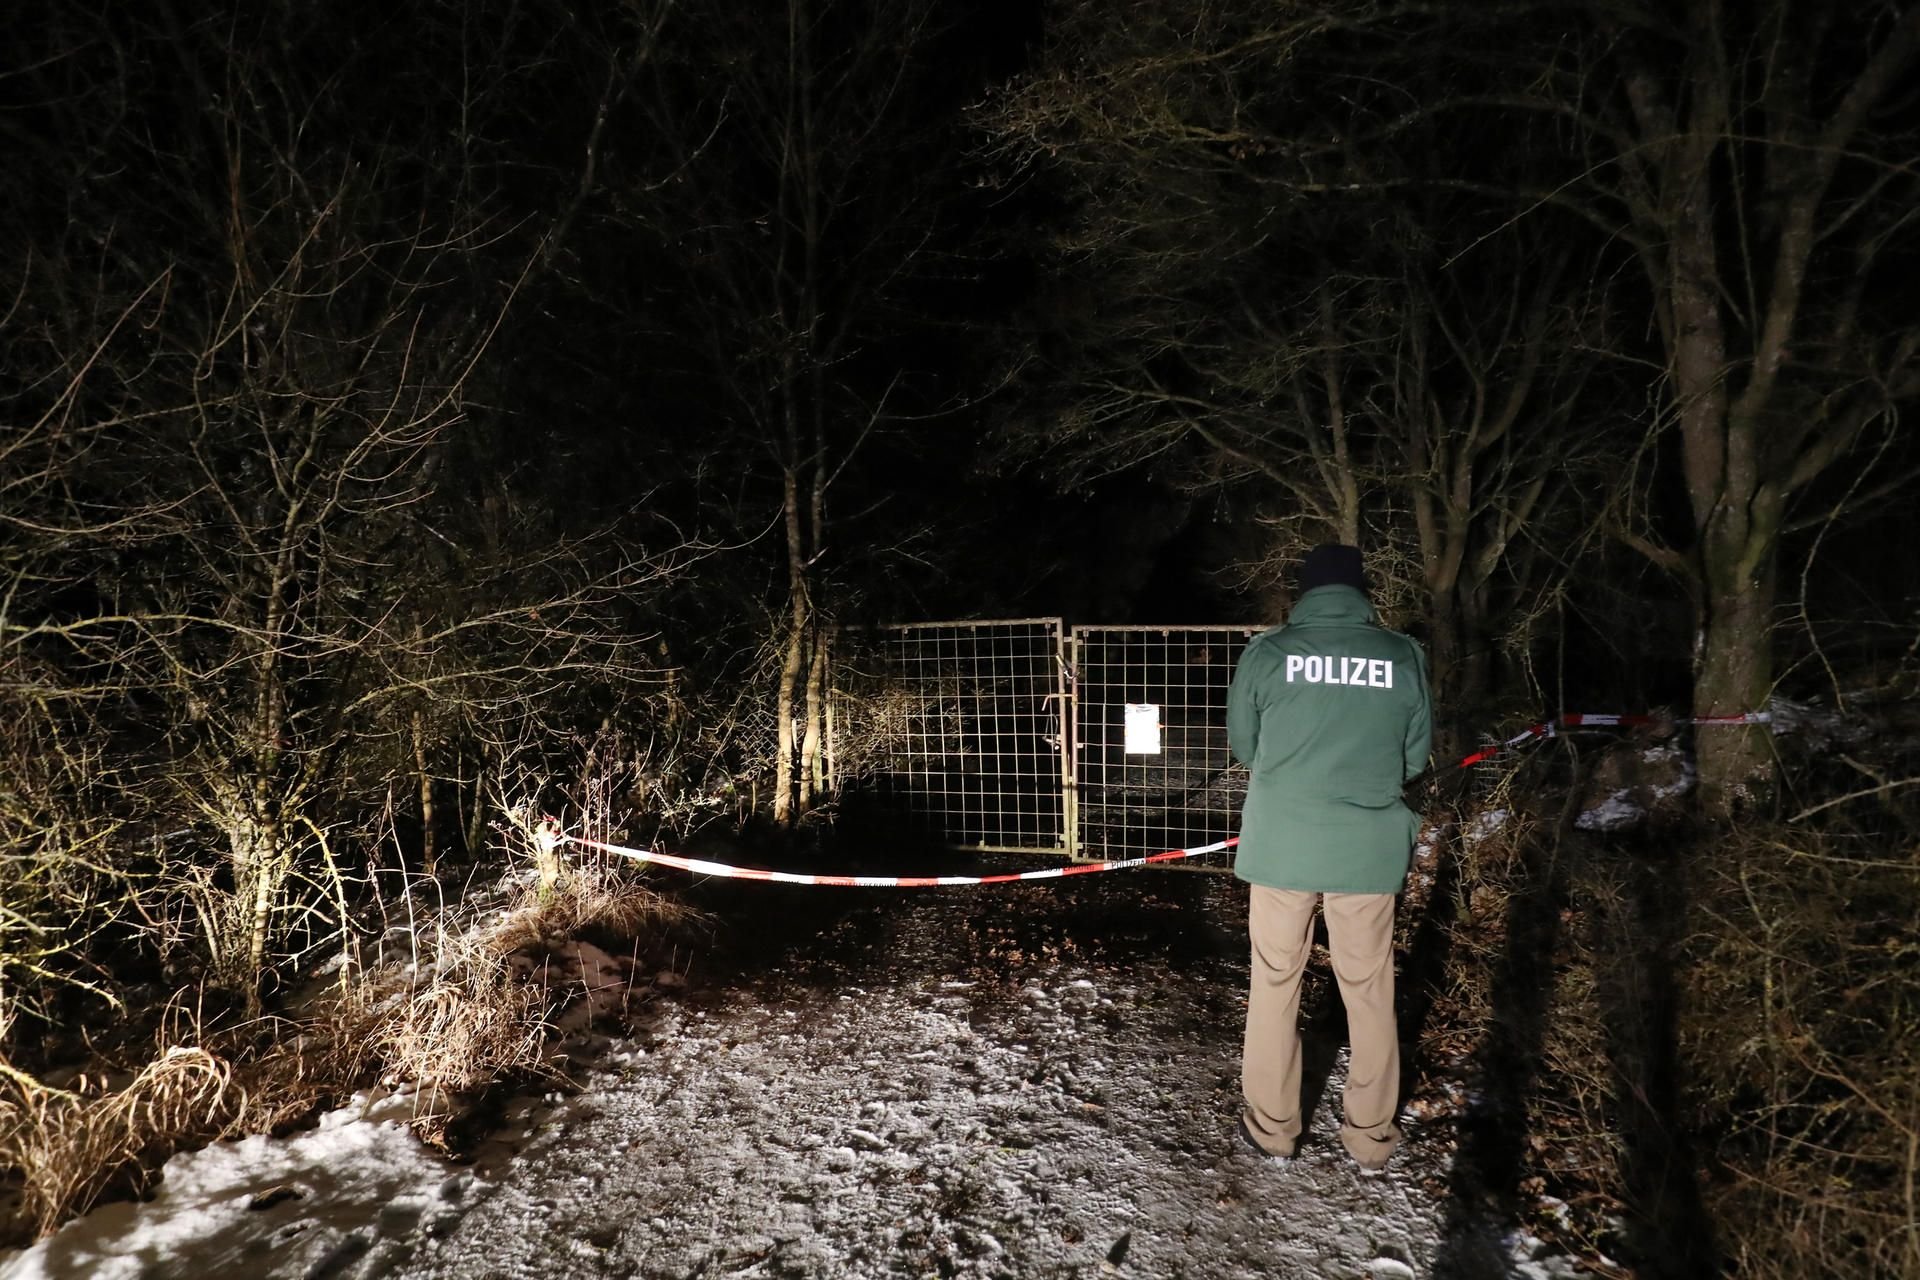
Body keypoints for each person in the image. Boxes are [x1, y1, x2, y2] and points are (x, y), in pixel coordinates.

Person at [1225, 543, 1432, 1172]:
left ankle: (1273, 1127)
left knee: (1275, 981)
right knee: (1369, 988)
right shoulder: (1402, 655)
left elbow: (1244, 747)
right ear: (1361, 593)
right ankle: (1370, 1135)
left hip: (1282, 844)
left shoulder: (1269, 653)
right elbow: (1414, 758)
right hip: (1366, 848)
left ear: (1305, 593)